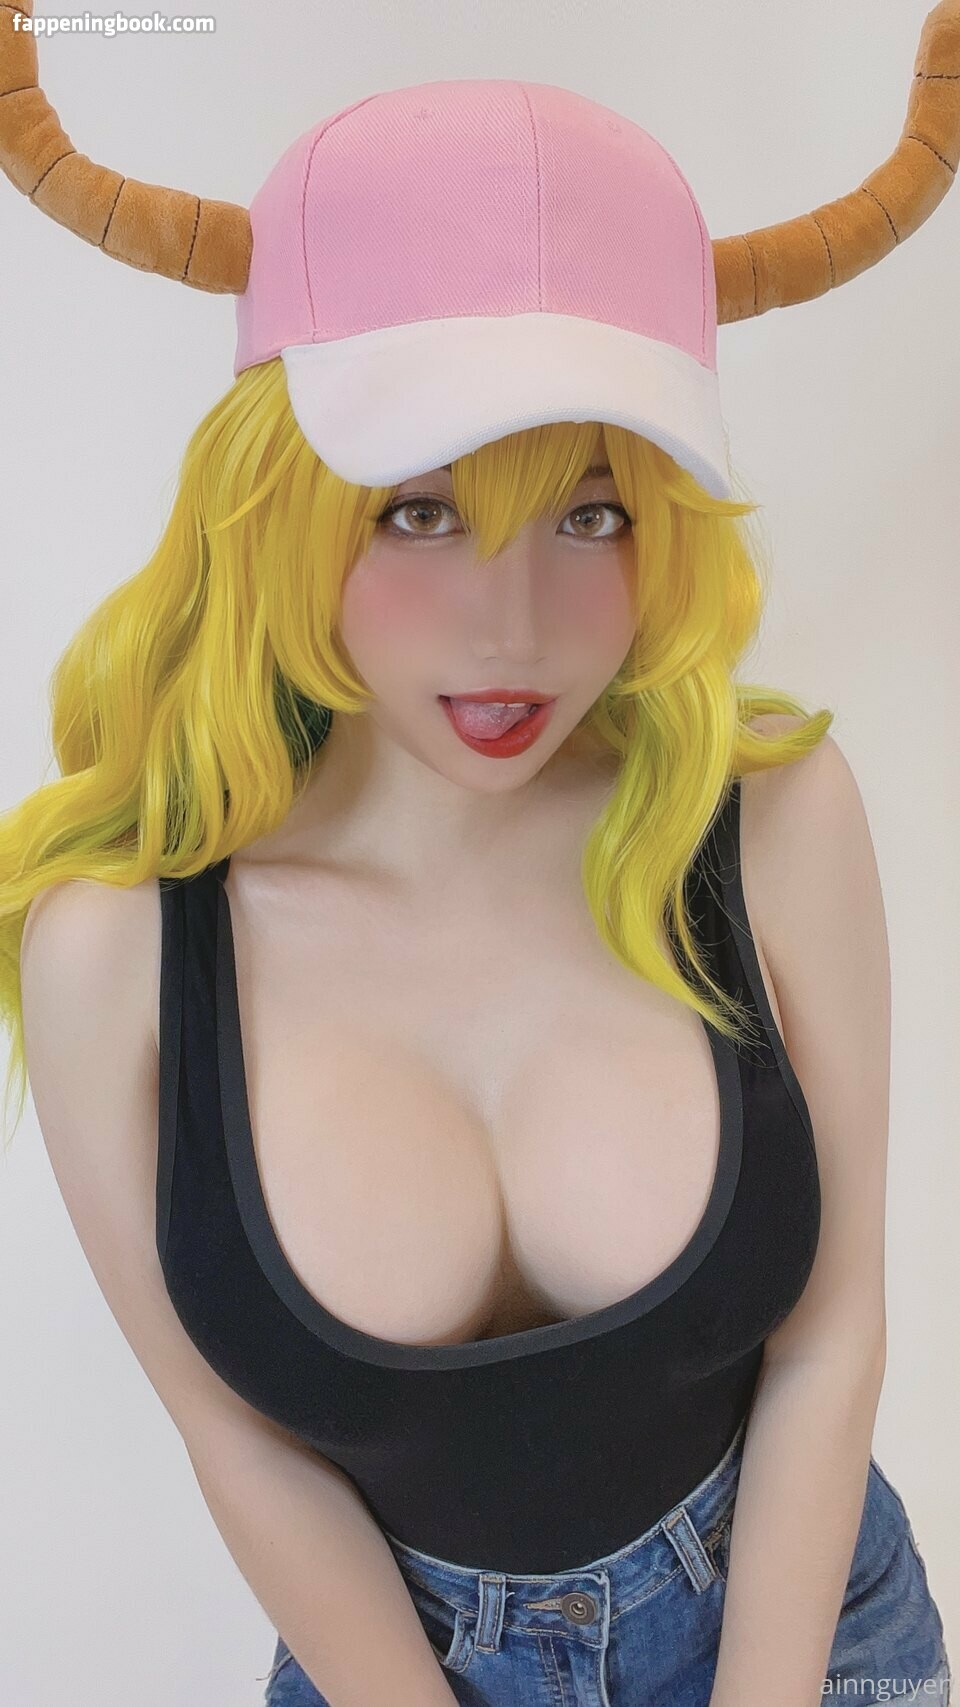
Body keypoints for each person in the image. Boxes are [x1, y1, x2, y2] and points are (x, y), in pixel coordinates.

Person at [0, 7, 956, 1704]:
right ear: (279, 507)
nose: (513, 625)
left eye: (591, 513)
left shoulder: (772, 816)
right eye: (419, 510)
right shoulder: (117, 947)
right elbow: (241, 1442)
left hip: (815, 1638)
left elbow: (833, 1335)